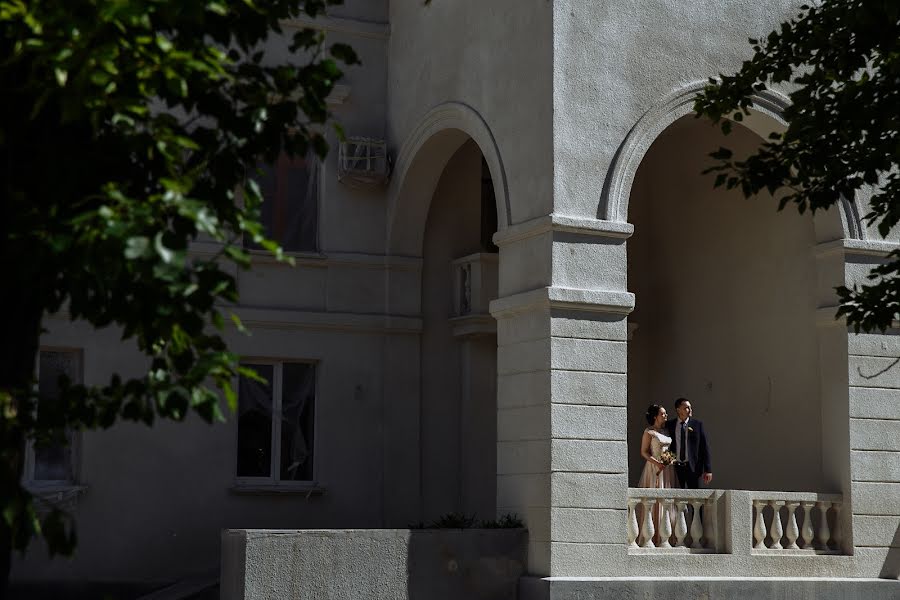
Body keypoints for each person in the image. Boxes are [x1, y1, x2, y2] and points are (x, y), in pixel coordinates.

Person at [666, 397, 712, 489]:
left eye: (690, 407)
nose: (690, 410)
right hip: (676, 468)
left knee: (695, 499)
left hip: (693, 468)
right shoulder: (670, 425)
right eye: (686, 408)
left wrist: (708, 470)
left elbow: (704, 448)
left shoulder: (697, 425)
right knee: (677, 498)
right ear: (678, 410)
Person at [637, 404, 678, 489]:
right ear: (655, 417)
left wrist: (669, 459)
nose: (666, 415)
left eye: (665, 413)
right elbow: (644, 452)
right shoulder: (649, 431)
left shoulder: (666, 430)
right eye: (662, 414)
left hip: (667, 466)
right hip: (654, 464)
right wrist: (657, 463)